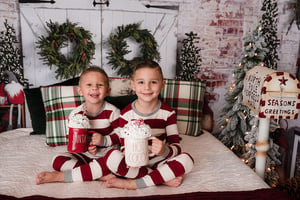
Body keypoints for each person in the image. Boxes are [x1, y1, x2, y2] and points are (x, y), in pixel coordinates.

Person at [104, 60, 194, 190]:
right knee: (111, 157)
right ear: (133, 85)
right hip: (135, 163)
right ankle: (160, 178)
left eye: (153, 82)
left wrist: (165, 150)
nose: (147, 87)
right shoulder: (126, 115)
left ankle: (133, 183)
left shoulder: (168, 113)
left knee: (187, 160)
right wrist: (132, 158)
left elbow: (176, 146)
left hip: (160, 161)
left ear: (162, 84)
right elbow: (123, 146)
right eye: (141, 82)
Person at [36, 66, 119, 184]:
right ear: (80, 91)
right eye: (89, 85)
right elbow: (71, 138)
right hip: (85, 156)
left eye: (99, 85)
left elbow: (122, 135)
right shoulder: (76, 114)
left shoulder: (112, 112)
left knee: (119, 163)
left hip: (106, 157)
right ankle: (97, 175)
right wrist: (86, 146)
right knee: (57, 160)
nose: (94, 88)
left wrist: (104, 140)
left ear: (107, 91)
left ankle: (62, 176)